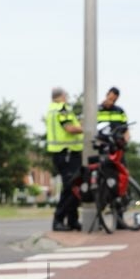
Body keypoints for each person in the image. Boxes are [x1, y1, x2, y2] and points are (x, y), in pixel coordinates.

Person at [46, 86, 83, 231]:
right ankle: (58, 220)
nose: (67, 98)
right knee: (69, 188)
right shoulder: (62, 108)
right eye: (66, 95)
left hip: (62, 153)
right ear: (60, 96)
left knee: (73, 187)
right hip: (67, 153)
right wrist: (87, 127)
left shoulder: (51, 109)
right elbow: (69, 128)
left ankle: (72, 220)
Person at [97, 86, 131, 227]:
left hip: (117, 150)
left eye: (114, 99)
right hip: (102, 151)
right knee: (101, 184)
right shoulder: (96, 110)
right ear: (106, 95)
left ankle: (119, 218)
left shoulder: (120, 111)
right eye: (110, 98)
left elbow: (126, 129)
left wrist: (126, 141)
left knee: (121, 182)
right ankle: (100, 219)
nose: (111, 101)